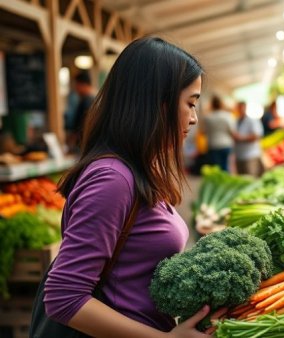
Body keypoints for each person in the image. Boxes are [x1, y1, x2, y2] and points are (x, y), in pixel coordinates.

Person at [41, 36, 214, 337]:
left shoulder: (138, 170)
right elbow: (63, 298)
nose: (195, 117)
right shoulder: (113, 179)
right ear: (157, 104)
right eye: (190, 103)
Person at [201, 95, 236, 172]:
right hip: (226, 144)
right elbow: (232, 131)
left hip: (213, 145)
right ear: (221, 104)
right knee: (226, 167)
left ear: (212, 104)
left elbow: (203, 132)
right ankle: (227, 182)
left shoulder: (207, 117)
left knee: (216, 169)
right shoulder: (227, 116)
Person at [233, 101, 263, 177]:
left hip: (251, 156)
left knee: (251, 178)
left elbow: (256, 136)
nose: (240, 110)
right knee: (243, 179)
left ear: (245, 108)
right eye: (238, 108)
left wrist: (241, 138)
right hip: (239, 156)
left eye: (241, 107)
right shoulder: (236, 121)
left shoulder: (252, 121)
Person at [69, 71, 96, 151]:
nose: (76, 88)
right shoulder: (94, 100)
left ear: (83, 84)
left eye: (77, 85)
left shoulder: (86, 102)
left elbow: (80, 126)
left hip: (83, 146)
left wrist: (71, 142)